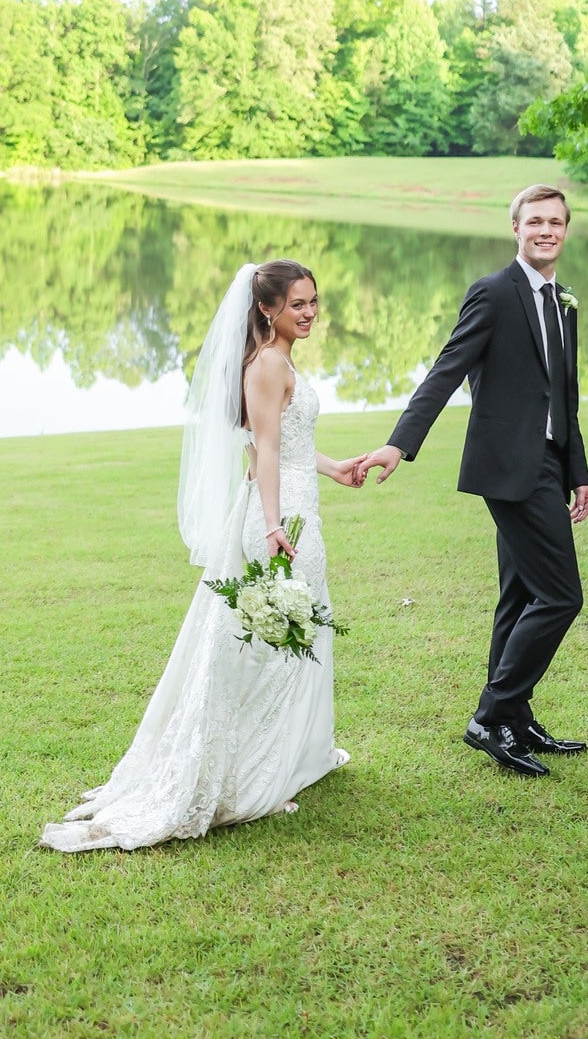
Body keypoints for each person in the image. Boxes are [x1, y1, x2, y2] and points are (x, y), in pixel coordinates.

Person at [41, 260, 363, 851]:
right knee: (271, 648)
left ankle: (288, 757)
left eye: (313, 301)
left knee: (296, 638)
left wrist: (334, 467)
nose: (310, 313)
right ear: (266, 308)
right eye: (297, 304)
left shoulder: (275, 359)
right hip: (280, 517)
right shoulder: (268, 364)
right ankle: (254, 776)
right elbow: (264, 451)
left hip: (292, 505)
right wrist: (273, 525)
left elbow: (287, 444)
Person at [355, 185, 588, 777]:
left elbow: (565, 396)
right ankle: (491, 717)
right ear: (516, 228)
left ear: (566, 230)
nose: (545, 230)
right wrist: (399, 443)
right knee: (561, 596)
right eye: (534, 221)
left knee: (522, 594)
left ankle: (515, 719)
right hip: (507, 467)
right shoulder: (493, 292)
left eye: (555, 222)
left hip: (549, 463)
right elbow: (447, 369)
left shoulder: (563, 300)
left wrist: (578, 472)